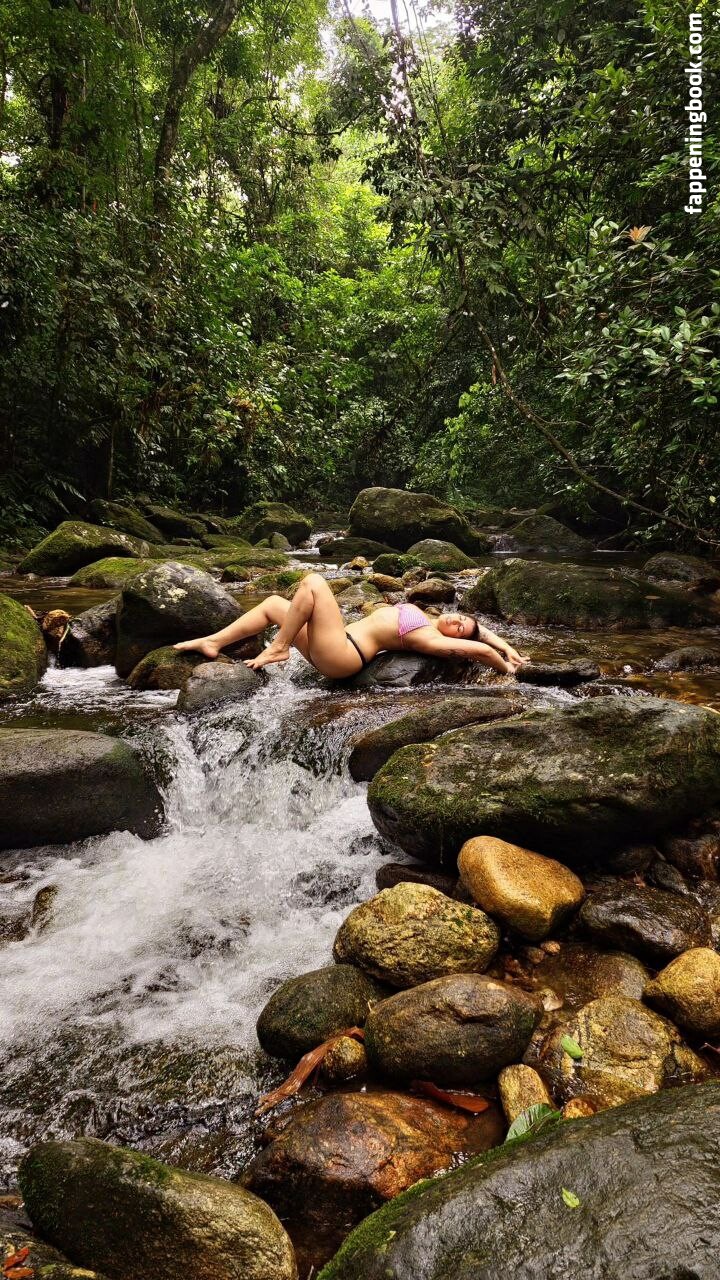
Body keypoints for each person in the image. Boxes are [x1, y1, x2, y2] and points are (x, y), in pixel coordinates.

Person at [174, 572, 529, 678]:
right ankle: (213, 642)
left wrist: (509, 670)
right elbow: (486, 634)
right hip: (336, 642)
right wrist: (510, 648)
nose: (456, 620)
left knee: (314, 582)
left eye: (460, 627)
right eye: (461, 616)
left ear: (456, 639)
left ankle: (279, 647)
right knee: (273, 605)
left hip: (344, 655)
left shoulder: (430, 640)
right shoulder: (434, 619)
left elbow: (480, 648)